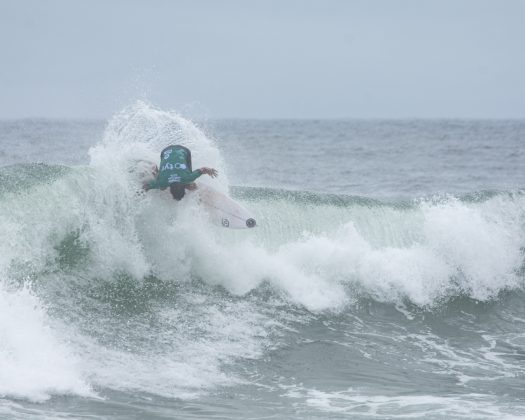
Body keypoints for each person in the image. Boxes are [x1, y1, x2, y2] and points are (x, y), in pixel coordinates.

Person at [143, 145, 218, 200]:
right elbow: (145, 186)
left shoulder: (187, 178)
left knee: (163, 186)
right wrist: (140, 193)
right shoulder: (162, 182)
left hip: (176, 151)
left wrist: (209, 170)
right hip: (169, 151)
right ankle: (154, 168)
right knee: (162, 187)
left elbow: (204, 169)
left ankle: (155, 169)